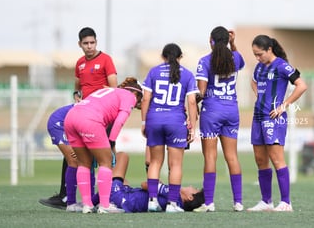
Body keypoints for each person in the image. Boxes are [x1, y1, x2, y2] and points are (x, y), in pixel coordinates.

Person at [39, 27, 118, 209]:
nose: (90, 46)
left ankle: (103, 197)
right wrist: (77, 94)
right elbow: (78, 85)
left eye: (92, 43)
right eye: (86, 43)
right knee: (77, 157)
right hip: (82, 114)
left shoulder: (106, 60)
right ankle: (74, 198)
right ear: (80, 44)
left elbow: (114, 89)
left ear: (96, 42)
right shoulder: (80, 63)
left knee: (102, 158)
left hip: (100, 115)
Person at [64, 77, 143, 214]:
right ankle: (105, 205)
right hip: (89, 119)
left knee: (84, 163)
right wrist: (111, 142)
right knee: (106, 162)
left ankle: (87, 205)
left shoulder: (111, 91)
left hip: (71, 117)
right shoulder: (130, 96)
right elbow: (119, 122)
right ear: (136, 93)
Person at [247, 35, 307, 212]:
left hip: (273, 118)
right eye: (255, 55)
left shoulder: (282, 65)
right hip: (258, 116)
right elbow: (253, 81)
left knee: (276, 159)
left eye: (259, 54)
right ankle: (266, 201)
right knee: (260, 160)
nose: (257, 58)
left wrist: (284, 105)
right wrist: (259, 96)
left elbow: (301, 85)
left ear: (269, 50)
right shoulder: (259, 67)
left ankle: (286, 202)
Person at [141, 43, 198, 213]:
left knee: (155, 162)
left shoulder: (153, 72)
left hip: (154, 119)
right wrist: (193, 127)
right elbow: (193, 102)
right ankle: (172, 204)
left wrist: (144, 122)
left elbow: (145, 100)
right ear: (180, 57)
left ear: (162, 57)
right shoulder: (187, 74)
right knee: (175, 165)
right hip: (176, 121)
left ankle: (152, 201)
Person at [193, 26, 245, 212]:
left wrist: (191, 101)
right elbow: (239, 59)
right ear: (227, 40)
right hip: (232, 110)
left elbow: (202, 91)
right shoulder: (235, 58)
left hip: (212, 112)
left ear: (211, 41)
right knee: (232, 157)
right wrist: (234, 43)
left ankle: (209, 203)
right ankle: (238, 202)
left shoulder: (205, 61)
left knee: (210, 157)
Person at [91, 151, 204, 212]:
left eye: (194, 188)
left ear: (190, 197)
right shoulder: (176, 203)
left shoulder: (174, 194)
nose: (191, 186)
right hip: (126, 199)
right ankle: (93, 203)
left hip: (121, 199)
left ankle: (93, 202)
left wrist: (156, 183)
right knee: (123, 181)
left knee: (122, 156)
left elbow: (144, 185)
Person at [38, 104, 84, 212]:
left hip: (74, 123)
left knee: (75, 159)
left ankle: (67, 197)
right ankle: (67, 200)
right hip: (60, 123)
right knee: (74, 160)